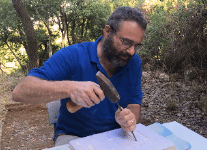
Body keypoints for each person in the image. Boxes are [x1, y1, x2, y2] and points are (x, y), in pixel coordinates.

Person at [12, 7, 147, 147]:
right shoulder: (73, 56)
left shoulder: (134, 63)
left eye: (137, 46)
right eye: (126, 42)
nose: (131, 51)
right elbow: (20, 92)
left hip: (117, 135)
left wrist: (130, 118)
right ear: (107, 32)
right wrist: (70, 88)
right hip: (73, 136)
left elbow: (134, 103)